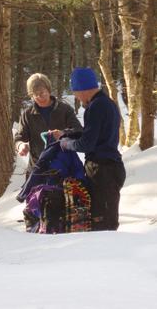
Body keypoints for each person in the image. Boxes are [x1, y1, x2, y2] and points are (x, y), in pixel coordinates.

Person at [50, 67, 126, 231]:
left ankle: (106, 254)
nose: (77, 97)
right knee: (105, 220)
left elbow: (86, 144)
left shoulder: (95, 107)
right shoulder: (107, 103)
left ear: (82, 89)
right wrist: (66, 134)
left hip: (103, 171)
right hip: (111, 168)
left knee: (103, 224)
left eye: (76, 93)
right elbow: (93, 135)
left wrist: (66, 144)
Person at [14, 73, 82, 176]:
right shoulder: (28, 114)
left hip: (63, 167)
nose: (39, 97)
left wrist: (63, 133)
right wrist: (20, 146)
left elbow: (79, 131)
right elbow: (19, 137)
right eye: (35, 94)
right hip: (37, 169)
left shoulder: (64, 110)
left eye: (42, 92)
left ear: (48, 90)